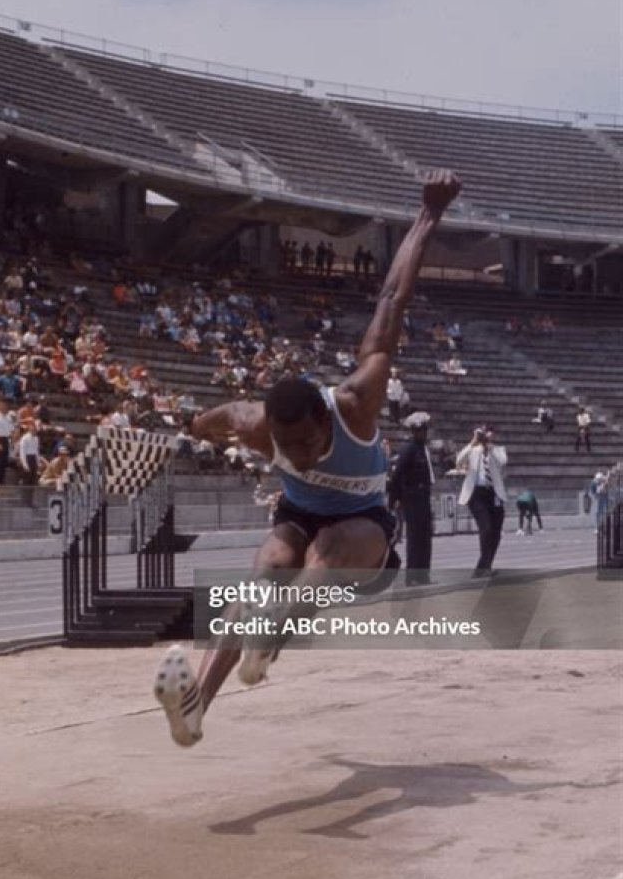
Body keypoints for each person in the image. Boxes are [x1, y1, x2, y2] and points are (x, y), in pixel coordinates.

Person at [153, 168, 462, 746]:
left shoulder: (358, 399)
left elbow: (392, 298)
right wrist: (192, 423)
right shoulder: (258, 427)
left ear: (325, 419)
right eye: (284, 444)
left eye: (304, 443)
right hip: (298, 515)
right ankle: (195, 708)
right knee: (267, 565)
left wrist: (429, 215)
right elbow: (221, 415)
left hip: (363, 534)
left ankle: (270, 638)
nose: (295, 452)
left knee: (327, 547)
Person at [387, 412, 435, 585]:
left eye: (424, 430)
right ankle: (412, 576)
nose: (423, 433)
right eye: (419, 430)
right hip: (412, 498)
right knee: (415, 539)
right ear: (413, 432)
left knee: (425, 537)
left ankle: (423, 575)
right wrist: (394, 500)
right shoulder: (409, 449)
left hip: (423, 497)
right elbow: (397, 475)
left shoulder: (423, 449)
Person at [457, 425, 508, 578]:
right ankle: (484, 567)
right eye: (483, 432)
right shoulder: (473, 450)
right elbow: (459, 460)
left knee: (496, 533)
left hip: (494, 493)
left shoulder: (498, 450)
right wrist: (473, 442)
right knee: (486, 528)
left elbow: (503, 461)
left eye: (489, 431)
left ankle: (484, 566)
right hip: (477, 493)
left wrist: (490, 447)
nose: (486, 434)